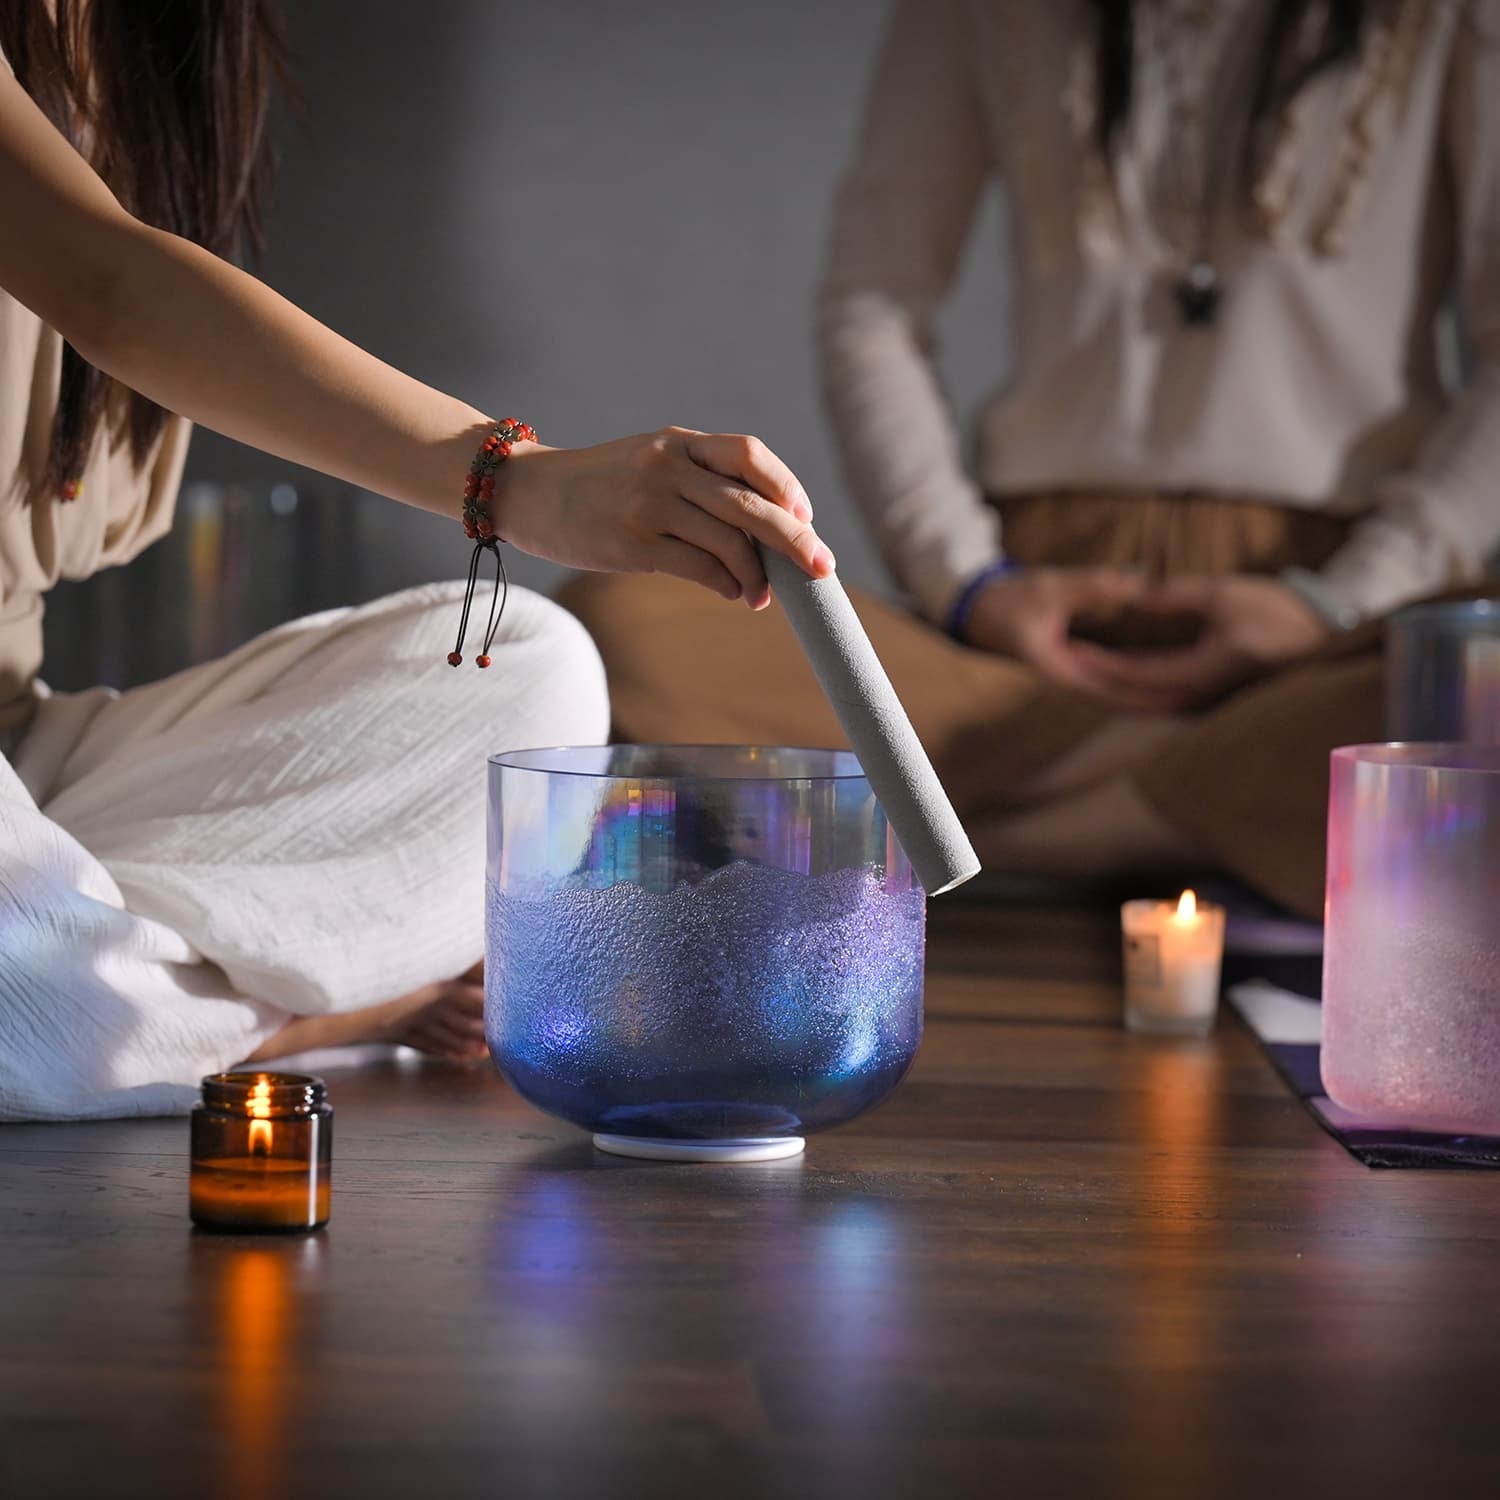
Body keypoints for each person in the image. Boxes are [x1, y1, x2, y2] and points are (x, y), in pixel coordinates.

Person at [0, 2, 833, 1120]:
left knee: (539, 670)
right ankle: (285, 1019)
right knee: (39, 1005)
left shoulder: (134, 55)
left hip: (31, 764)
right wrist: (519, 482)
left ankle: (100, 969)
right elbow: (111, 286)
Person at [566, 0, 1500, 919]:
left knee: (1464, 684)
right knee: (626, 621)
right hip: (1031, 628)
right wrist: (971, 584)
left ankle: (971, 837)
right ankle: (1228, 797)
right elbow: (873, 304)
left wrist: (1337, 602)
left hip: (1331, 620)